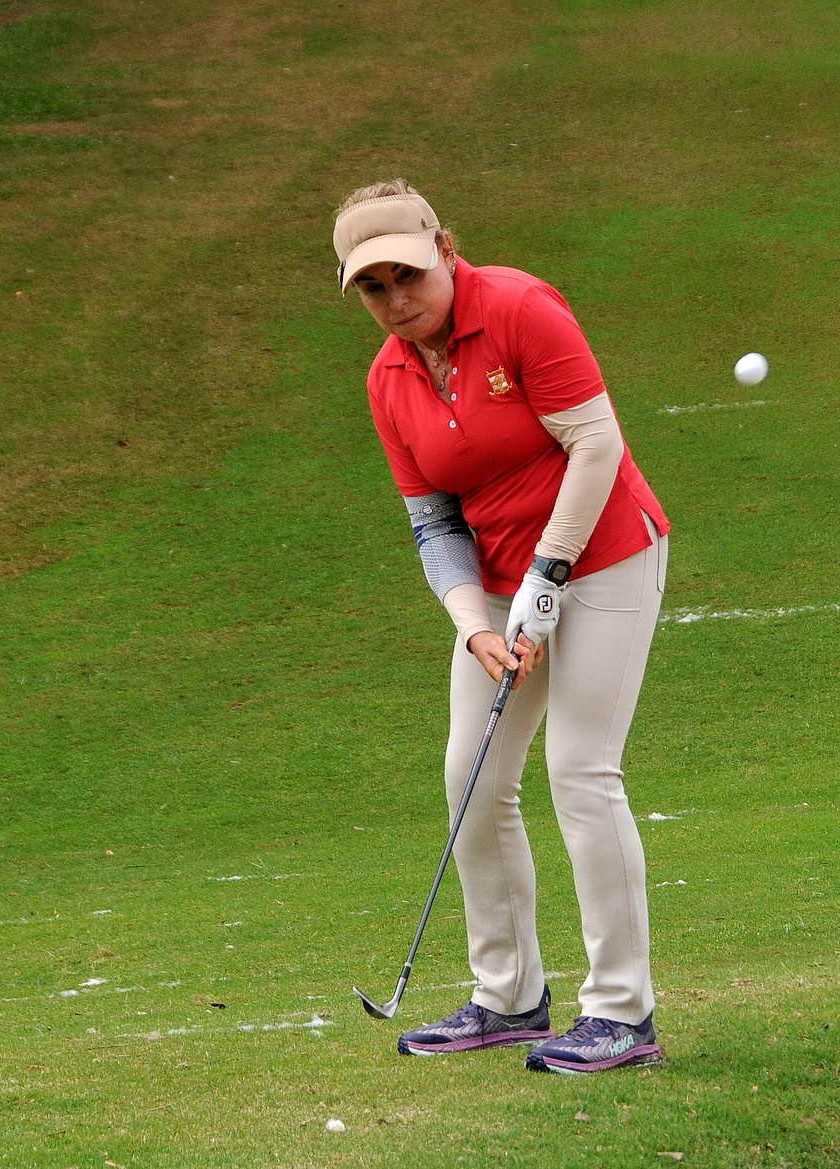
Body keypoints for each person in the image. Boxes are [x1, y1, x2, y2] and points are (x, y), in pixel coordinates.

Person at [333, 179, 670, 1073]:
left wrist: (549, 572)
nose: (396, 299)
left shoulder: (520, 308)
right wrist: (472, 624)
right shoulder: (389, 379)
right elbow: (434, 523)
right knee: (472, 779)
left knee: (581, 769)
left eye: (409, 274)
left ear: (446, 249)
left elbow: (596, 443)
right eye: (373, 287)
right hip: (498, 584)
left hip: (604, 555)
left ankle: (623, 1011)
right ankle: (510, 994)